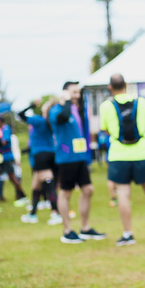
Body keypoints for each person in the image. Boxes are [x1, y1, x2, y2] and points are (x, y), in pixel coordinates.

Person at [99, 74, 145, 246]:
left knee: (123, 194)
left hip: (118, 154)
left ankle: (128, 234)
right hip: (143, 152)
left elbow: (105, 129)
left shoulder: (106, 106)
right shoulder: (140, 102)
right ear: (126, 84)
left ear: (110, 87)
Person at [48, 82, 106, 244]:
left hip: (80, 157)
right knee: (65, 193)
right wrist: (66, 100)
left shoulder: (75, 110)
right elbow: (63, 118)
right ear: (65, 93)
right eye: (74, 92)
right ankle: (67, 231)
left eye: (78, 93)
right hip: (66, 159)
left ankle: (85, 228)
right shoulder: (57, 111)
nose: (77, 96)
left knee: (88, 189)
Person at [18, 98, 61, 225]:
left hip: (40, 155)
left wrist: (31, 104)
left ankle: (56, 212)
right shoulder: (52, 122)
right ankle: (32, 214)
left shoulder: (39, 120)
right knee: (36, 186)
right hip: (51, 154)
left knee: (49, 184)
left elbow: (20, 115)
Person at [0, 114, 28, 205]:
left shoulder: (6, 129)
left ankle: (22, 195)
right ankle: (1, 196)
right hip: (1, 157)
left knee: (12, 177)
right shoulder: (0, 129)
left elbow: (4, 142)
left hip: (7, 157)